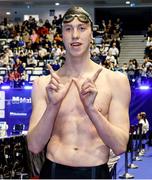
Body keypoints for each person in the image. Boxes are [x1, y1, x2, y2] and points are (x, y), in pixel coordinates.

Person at [27, 6, 131, 179]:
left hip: (94, 171)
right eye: (68, 29)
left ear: (92, 34)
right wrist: (53, 106)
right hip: (53, 171)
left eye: (82, 28)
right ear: (62, 35)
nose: (75, 35)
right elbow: (34, 146)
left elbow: (120, 145)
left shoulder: (116, 81)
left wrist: (91, 110)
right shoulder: (44, 84)